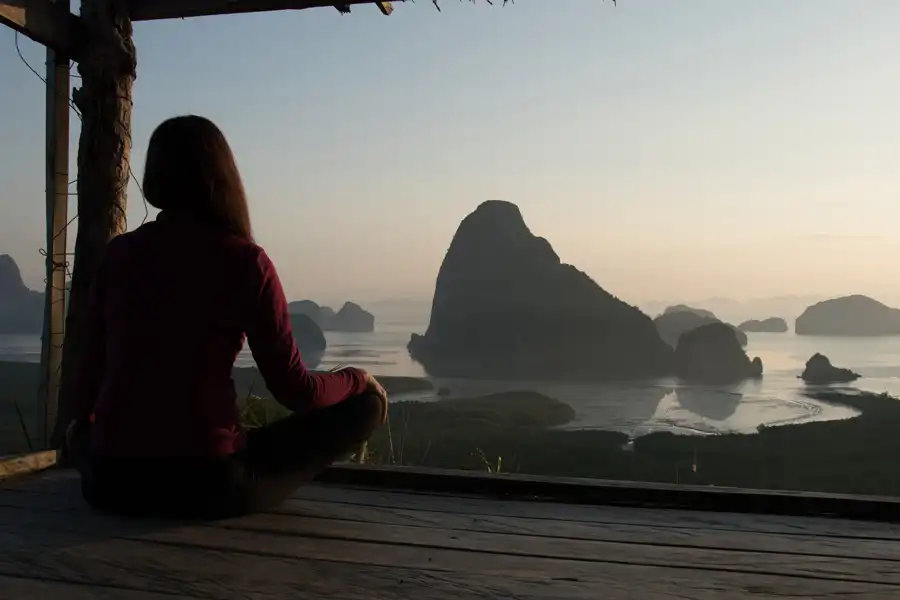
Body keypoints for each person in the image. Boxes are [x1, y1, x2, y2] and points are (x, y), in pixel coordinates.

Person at [64, 115, 387, 519]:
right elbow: (296, 390)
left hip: (111, 484)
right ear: (224, 177)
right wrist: (358, 379)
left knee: (83, 434)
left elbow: (87, 379)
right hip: (206, 486)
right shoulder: (246, 261)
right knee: (365, 408)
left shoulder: (120, 255)